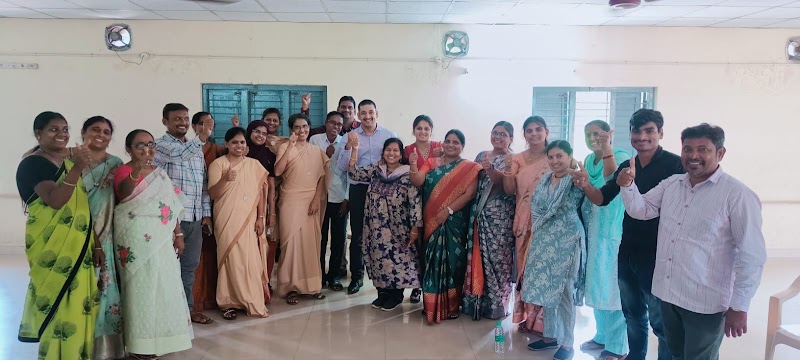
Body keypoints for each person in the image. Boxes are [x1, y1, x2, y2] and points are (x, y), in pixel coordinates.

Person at [618, 124, 766, 360]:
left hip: (705, 302)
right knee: (676, 353)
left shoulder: (737, 195)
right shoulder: (672, 184)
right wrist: (627, 185)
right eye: (687, 149)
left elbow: (752, 254)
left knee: (699, 357)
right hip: (668, 293)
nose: (693, 155)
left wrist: (739, 305)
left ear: (720, 153)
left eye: (703, 149)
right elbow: (641, 209)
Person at [575, 109, 682, 360]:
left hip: (658, 254)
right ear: (631, 134)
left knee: (660, 321)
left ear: (661, 133)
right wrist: (585, 184)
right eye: (637, 131)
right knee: (633, 315)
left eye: (649, 131)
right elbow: (602, 199)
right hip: (626, 251)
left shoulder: (674, 165)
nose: (642, 137)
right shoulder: (627, 165)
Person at [16, 111, 99, 360]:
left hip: (79, 246)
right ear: (37, 134)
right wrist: (78, 168)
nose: (62, 134)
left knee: (80, 305)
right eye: (53, 129)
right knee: (59, 306)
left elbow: (82, 206)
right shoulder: (33, 163)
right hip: (53, 249)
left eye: (65, 128)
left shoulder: (64, 161)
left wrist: (95, 245)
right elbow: (55, 200)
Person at [113, 129, 193, 359]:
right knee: (142, 289)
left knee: (164, 286)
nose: (146, 149)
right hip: (136, 236)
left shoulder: (160, 174)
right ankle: (140, 345)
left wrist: (178, 234)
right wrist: (137, 169)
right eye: (139, 145)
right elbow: (124, 194)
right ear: (128, 149)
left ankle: (163, 339)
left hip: (162, 237)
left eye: (150, 144)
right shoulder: (124, 170)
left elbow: (172, 205)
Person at [409, 129, 481, 324]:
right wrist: (414, 164)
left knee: (452, 261)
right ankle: (431, 305)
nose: (451, 145)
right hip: (431, 221)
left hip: (454, 221)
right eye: (448, 141)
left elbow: (469, 194)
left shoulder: (470, 168)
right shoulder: (432, 163)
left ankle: (451, 305)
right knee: (431, 262)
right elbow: (417, 181)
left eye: (456, 142)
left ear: (462, 146)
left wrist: (447, 211)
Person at [523, 140, 585, 360]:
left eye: (560, 156)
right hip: (545, 241)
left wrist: (577, 172)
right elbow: (537, 207)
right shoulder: (546, 179)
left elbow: (583, 199)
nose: (555, 161)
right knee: (547, 289)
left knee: (564, 291)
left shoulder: (575, 179)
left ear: (569, 156)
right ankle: (550, 336)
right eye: (551, 157)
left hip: (567, 240)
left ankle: (567, 343)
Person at [153, 103, 214, 325]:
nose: (183, 123)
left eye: (185, 118)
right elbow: (179, 156)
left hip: (195, 219)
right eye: (177, 119)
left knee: (189, 268)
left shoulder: (195, 148)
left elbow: (204, 186)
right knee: (168, 268)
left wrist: (205, 215)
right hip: (171, 221)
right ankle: (167, 313)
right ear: (165, 122)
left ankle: (186, 311)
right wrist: (202, 137)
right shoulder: (160, 146)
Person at [576, 120, 630, 360]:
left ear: (608, 134)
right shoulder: (588, 160)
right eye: (588, 134)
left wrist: (607, 148)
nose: (593, 138)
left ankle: (617, 346)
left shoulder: (620, 155)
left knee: (613, 286)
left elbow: (610, 178)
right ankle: (602, 335)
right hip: (593, 227)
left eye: (597, 134)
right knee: (597, 282)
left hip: (612, 229)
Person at [349, 138, 422, 311]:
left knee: (396, 261)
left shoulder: (407, 174)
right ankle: (382, 294)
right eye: (388, 150)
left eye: (395, 150)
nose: (391, 153)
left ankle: (395, 296)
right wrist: (355, 150)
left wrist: (414, 228)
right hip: (375, 227)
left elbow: (415, 201)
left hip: (398, 228)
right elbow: (353, 173)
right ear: (383, 152)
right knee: (377, 258)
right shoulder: (376, 170)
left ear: (401, 154)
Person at [208, 127, 270, 320]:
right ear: (226, 144)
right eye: (234, 142)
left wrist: (261, 218)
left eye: (242, 142)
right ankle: (227, 301)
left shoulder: (254, 165)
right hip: (226, 218)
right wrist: (225, 179)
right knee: (229, 258)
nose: (239, 146)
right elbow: (213, 194)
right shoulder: (218, 165)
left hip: (249, 219)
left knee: (249, 259)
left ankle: (250, 298)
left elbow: (260, 193)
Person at [336, 100, 398, 294]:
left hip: (383, 190)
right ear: (358, 115)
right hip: (359, 190)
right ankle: (357, 278)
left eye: (370, 112)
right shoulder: (349, 136)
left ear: (377, 113)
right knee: (357, 235)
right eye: (363, 113)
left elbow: (396, 160)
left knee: (383, 234)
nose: (367, 116)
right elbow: (340, 168)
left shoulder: (389, 136)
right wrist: (348, 148)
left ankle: (384, 279)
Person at [78, 116, 126, 360]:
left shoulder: (116, 165)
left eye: (106, 131)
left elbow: (124, 199)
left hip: (107, 238)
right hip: (76, 235)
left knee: (107, 290)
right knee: (80, 290)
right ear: (83, 132)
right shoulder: (69, 162)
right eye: (95, 129)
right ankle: (78, 344)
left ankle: (108, 350)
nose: (101, 134)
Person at [463, 121, 516, 320]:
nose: (498, 137)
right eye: (495, 133)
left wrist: (492, 169)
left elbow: (507, 185)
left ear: (511, 138)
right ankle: (477, 302)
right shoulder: (481, 156)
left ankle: (497, 305)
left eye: (503, 134)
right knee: (478, 256)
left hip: (501, 216)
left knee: (498, 260)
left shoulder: (514, 159)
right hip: (480, 213)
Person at [274, 113, 329, 305]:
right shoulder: (284, 147)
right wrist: (289, 145)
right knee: (290, 245)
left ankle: (311, 287)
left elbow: (322, 176)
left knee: (310, 244)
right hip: (290, 201)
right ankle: (290, 288)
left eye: (305, 126)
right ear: (291, 130)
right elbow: (278, 171)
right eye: (297, 127)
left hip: (310, 202)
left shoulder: (316, 150)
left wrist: (316, 199)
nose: (302, 130)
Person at [502, 116, 550, 334]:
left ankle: (541, 321)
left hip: (547, 222)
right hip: (522, 219)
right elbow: (510, 190)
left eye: (538, 129)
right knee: (524, 269)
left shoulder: (555, 157)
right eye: (529, 130)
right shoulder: (517, 158)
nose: (534, 134)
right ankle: (524, 317)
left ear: (546, 132)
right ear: (524, 134)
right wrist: (508, 170)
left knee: (542, 269)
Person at [404, 114, 443, 304]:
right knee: (417, 243)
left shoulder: (439, 148)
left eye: (427, 128)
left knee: (432, 242)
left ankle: (432, 283)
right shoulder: (407, 150)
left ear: (431, 131)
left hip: (435, 199)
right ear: (413, 130)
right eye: (419, 128)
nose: (423, 131)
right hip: (413, 201)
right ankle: (416, 286)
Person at [309, 111, 349, 291]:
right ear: (326, 123)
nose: (336, 127)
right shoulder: (315, 140)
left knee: (339, 240)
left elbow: (350, 173)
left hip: (339, 198)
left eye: (339, 124)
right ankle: (318, 276)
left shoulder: (346, 142)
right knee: (320, 238)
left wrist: (347, 198)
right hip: (321, 197)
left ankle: (334, 276)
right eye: (333, 123)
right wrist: (326, 154)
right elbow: (309, 168)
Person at [192, 111, 226, 312]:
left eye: (210, 124)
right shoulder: (186, 150)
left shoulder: (218, 150)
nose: (206, 127)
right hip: (191, 208)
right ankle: (196, 300)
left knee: (212, 253)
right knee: (195, 256)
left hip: (215, 206)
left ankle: (213, 297)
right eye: (202, 124)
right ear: (194, 127)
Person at [244, 121, 278, 299]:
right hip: (241, 204)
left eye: (264, 134)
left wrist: (271, 213)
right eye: (257, 132)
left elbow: (271, 186)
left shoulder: (267, 154)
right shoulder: (242, 151)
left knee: (264, 245)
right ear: (249, 132)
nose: (260, 135)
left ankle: (264, 284)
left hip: (262, 205)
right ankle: (246, 285)